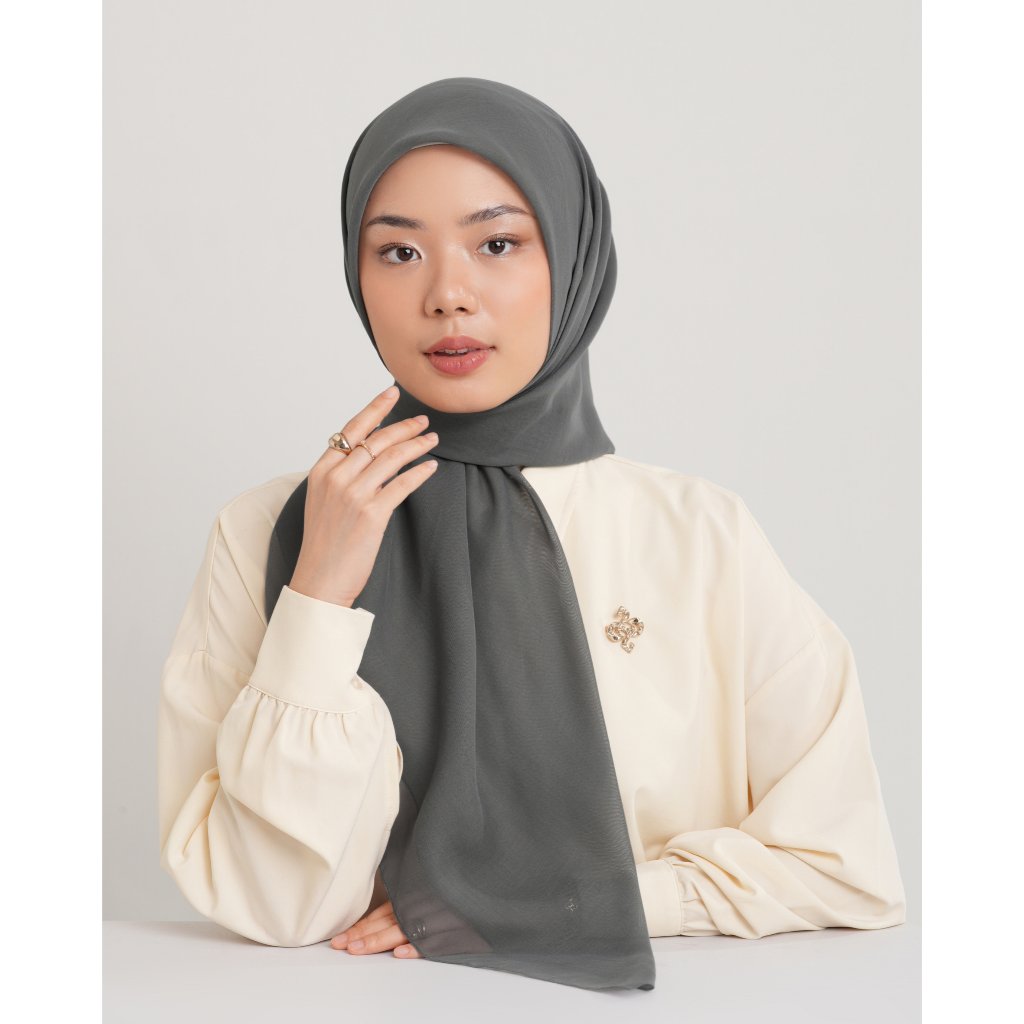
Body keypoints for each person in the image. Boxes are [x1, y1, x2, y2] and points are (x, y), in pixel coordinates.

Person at [157, 77, 906, 993]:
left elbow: (844, 867)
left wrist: (576, 900)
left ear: (575, 257)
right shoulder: (267, 534)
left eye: (498, 243)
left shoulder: (703, 538)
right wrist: (318, 596)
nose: (447, 295)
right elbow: (274, 906)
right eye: (398, 251)